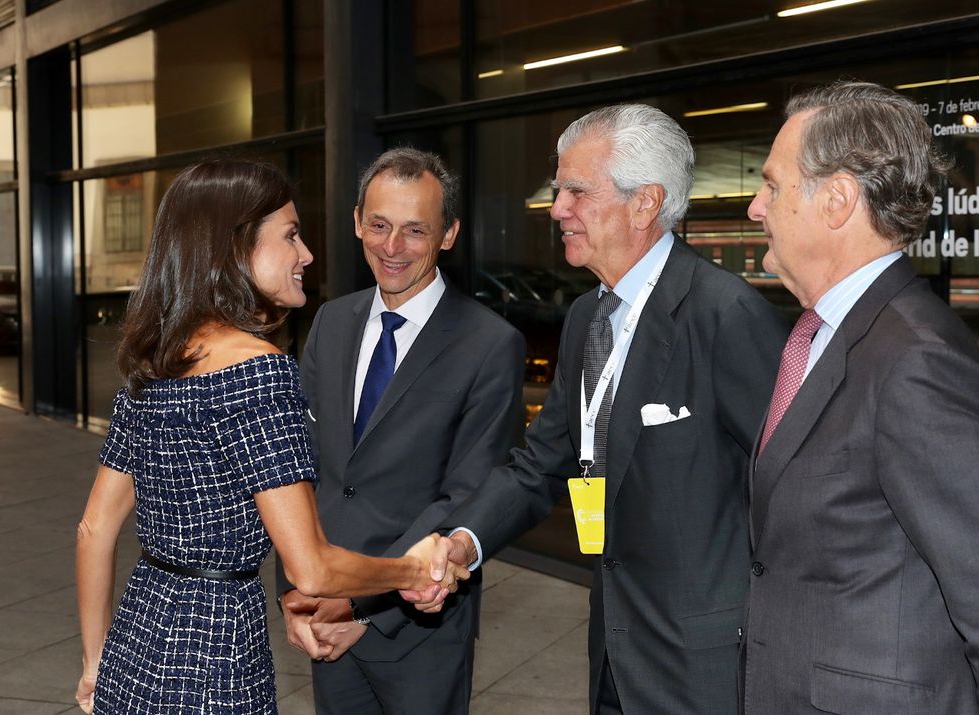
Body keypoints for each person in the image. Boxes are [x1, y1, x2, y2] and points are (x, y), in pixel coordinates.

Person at [411, 103, 789, 714]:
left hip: (704, 665)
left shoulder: (725, 316)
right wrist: (462, 541)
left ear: (645, 203)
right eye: (560, 190)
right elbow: (540, 463)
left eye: (576, 191)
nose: (557, 208)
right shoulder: (589, 316)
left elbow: (785, 491)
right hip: (612, 649)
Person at [73, 160, 467, 715]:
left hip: (134, 645)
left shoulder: (157, 361)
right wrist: (412, 570)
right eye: (289, 236)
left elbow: (94, 528)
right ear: (236, 250)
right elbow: (310, 568)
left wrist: (95, 664)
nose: (305, 254)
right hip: (214, 658)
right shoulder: (260, 373)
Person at [740, 81, 979, 713]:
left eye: (772, 185)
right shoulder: (825, 334)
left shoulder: (914, 359)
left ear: (838, 200)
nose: (755, 208)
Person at [276, 148, 526, 714]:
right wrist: (301, 590)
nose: (392, 248)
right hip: (324, 612)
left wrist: (360, 608)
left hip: (417, 627)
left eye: (416, 231)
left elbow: (468, 493)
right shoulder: (331, 322)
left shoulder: (489, 345)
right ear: (357, 220)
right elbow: (301, 466)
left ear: (449, 235)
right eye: (380, 225)